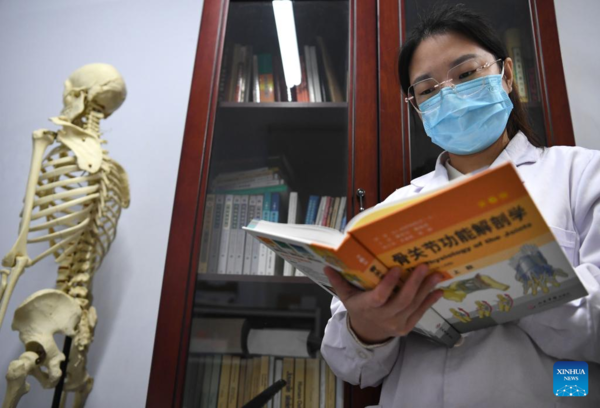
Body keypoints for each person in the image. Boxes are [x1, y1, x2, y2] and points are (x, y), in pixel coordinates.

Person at [321, 4, 600, 407]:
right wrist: (368, 327)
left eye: (467, 74)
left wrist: (513, 286)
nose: (448, 95)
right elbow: (354, 369)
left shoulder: (582, 175)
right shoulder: (389, 213)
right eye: (428, 89)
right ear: (417, 107)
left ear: (505, 76)